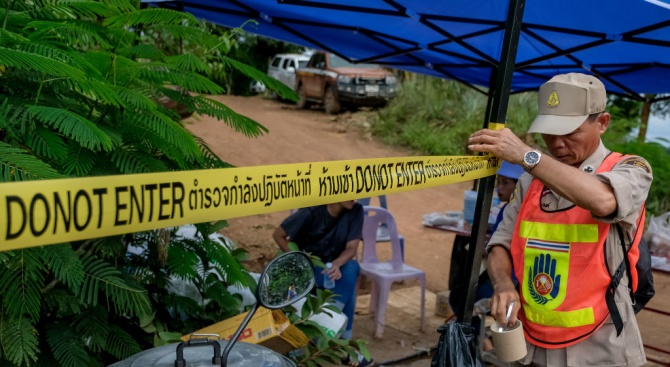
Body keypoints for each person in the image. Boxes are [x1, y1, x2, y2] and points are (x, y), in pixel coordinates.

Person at [468, 73, 652, 366]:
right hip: (532, 343)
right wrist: (503, 284)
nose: (556, 143)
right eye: (549, 133)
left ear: (602, 122)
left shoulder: (630, 169)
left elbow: (603, 200)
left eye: (570, 132)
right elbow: (500, 243)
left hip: (601, 346)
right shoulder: (531, 184)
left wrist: (526, 156)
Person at [273, 200, 373, 367]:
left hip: (331, 268)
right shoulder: (311, 211)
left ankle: (327, 334)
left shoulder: (355, 211)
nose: (354, 197)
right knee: (347, 284)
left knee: (351, 268)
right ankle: (341, 345)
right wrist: (300, 260)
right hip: (309, 268)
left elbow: (352, 248)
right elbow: (278, 234)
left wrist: (337, 263)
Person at [448, 161, 524, 350]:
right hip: (508, 280)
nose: (499, 188)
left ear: (520, 186)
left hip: (508, 281)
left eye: (506, 183)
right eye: (499, 182)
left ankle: (484, 343)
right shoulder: (508, 210)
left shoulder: (511, 211)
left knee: (460, 297)